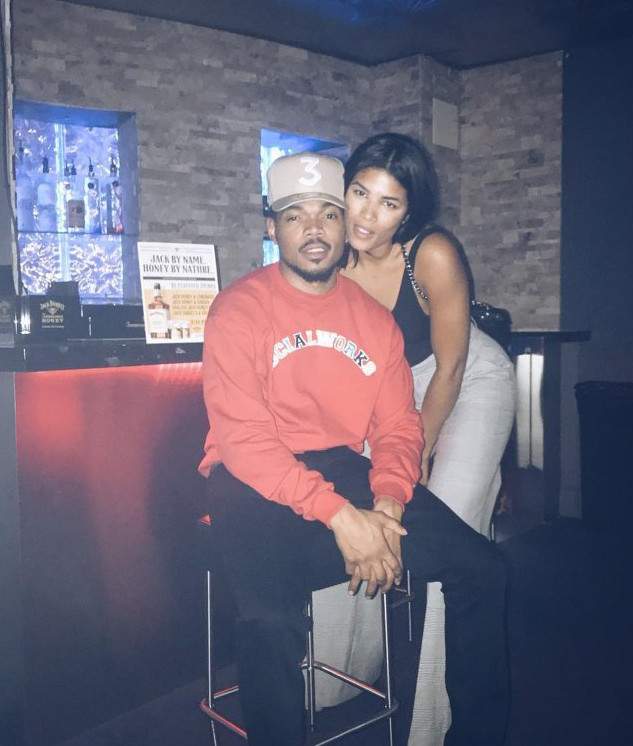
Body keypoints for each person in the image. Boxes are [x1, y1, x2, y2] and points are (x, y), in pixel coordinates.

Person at [198, 152, 509, 746]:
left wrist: (387, 504)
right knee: (270, 621)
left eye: (328, 214)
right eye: (295, 216)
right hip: (250, 478)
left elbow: (398, 428)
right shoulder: (238, 309)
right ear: (272, 227)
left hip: (342, 466)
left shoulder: (373, 320)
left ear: (345, 226)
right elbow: (244, 441)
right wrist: (345, 518)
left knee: (483, 569)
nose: (314, 229)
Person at [340, 133, 517, 745]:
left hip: (465, 379)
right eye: (359, 192)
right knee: (360, 514)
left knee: (449, 538)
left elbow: (452, 366)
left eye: (388, 203)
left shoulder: (432, 254)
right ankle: (345, 679)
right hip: (392, 392)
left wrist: (413, 456)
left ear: (409, 212)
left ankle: (432, 725)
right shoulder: (333, 255)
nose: (367, 215)